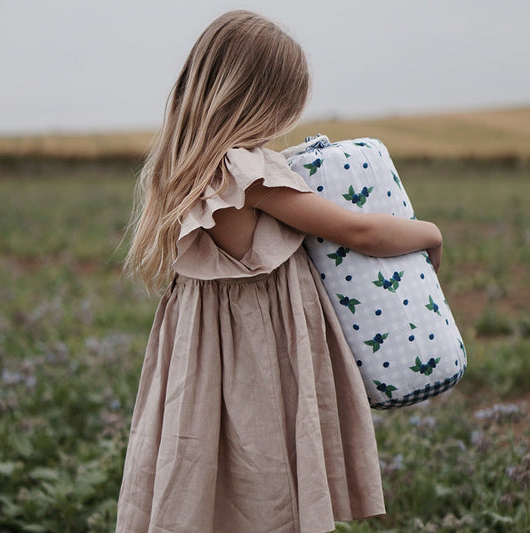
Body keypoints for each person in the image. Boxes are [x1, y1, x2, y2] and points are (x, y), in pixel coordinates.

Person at [116, 10, 443, 533]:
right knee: (264, 479)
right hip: (254, 354)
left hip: (200, 353)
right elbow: (359, 232)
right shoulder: (250, 172)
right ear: (259, 100)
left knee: (205, 466)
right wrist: (430, 234)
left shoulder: (186, 166)